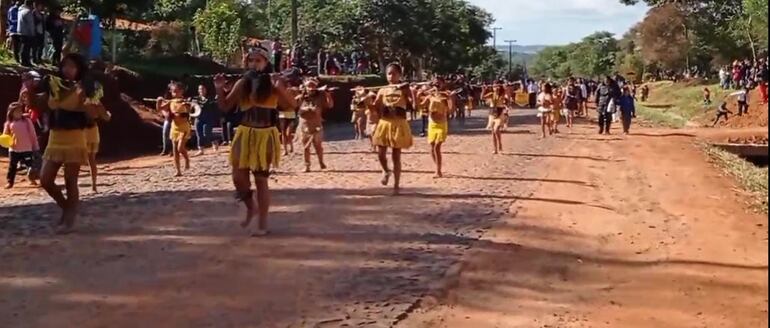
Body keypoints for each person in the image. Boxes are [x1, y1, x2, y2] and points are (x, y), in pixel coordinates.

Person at [213, 44, 297, 236]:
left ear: (266, 62)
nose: (253, 63)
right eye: (250, 60)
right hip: (244, 133)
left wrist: (280, 89)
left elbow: (292, 106)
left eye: (257, 60)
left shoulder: (273, 82)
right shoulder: (243, 83)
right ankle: (251, 206)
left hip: (265, 135)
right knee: (238, 177)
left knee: (261, 180)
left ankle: (262, 223)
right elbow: (225, 106)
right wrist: (218, 89)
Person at [32, 53, 105, 233]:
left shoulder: (87, 87)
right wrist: (30, 92)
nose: (68, 69)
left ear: (79, 69)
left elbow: (94, 114)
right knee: (45, 180)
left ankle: (69, 219)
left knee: (70, 180)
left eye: (72, 66)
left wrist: (84, 101)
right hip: (55, 138)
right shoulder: (54, 85)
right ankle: (67, 208)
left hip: (75, 137)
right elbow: (40, 106)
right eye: (65, 66)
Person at [372, 63, 413, 195]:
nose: (391, 76)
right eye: (389, 73)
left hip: (399, 124)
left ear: (399, 75)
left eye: (394, 73)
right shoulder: (382, 90)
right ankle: (386, 170)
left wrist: (409, 92)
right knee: (380, 153)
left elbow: (414, 105)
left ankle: (396, 186)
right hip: (385, 123)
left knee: (396, 156)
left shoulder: (404, 89)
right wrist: (364, 98)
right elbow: (375, 107)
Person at [296, 79, 333, 172]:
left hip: (316, 125)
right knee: (305, 147)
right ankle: (307, 165)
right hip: (304, 125)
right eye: (309, 86)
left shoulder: (320, 97)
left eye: (313, 86)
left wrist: (328, 95)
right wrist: (306, 109)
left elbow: (330, 105)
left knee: (318, 146)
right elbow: (298, 111)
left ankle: (321, 162)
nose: (311, 88)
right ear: (306, 87)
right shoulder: (301, 98)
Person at [156, 81, 191, 177]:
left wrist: (186, 105)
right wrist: (158, 102)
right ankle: (178, 170)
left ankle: (187, 159)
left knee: (180, 147)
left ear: (182, 91)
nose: (175, 93)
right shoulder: (170, 102)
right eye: (173, 91)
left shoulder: (185, 102)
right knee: (175, 150)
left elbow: (190, 112)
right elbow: (159, 109)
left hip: (184, 127)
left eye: (177, 91)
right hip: (174, 127)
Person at [419, 77, 452, 178]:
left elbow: (450, 110)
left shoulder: (446, 96)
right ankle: (438, 167)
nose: (437, 85)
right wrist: (417, 95)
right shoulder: (429, 96)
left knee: (437, 146)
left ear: (443, 84)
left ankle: (438, 171)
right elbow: (420, 106)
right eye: (435, 83)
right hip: (432, 123)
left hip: (442, 123)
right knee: (432, 148)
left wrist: (450, 98)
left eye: (439, 83)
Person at [3, 102, 40, 188]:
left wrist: (35, 146)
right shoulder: (8, 123)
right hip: (13, 149)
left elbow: (32, 134)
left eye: (20, 111)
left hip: (27, 148)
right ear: (11, 113)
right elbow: (6, 136)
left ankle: (32, 178)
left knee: (30, 164)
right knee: (12, 166)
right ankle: (10, 182)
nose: (19, 113)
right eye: (16, 112)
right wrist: (5, 140)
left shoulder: (27, 121)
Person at [193, 85, 220, 156]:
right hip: (198, 118)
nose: (201, 90)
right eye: (200, 89)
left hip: (208, 118)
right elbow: (192, 109)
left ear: (206, 90)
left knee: (207, 132)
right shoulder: (195, 99)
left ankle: (214, 141)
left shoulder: (210, 99)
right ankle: (200, 149)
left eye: (203, 89)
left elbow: (215, 107)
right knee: (199, 134)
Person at [481, 82, 506, 153]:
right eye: (494, 87)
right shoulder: (491, 94)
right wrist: (483, 90)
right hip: (492, 113)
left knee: (496, 130)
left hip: (499, 112)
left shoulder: (502, 94)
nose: (495, 88)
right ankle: (495, 149)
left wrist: (504, 87)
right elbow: (482, 97)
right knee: (493, 132)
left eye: (497, 87)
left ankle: (500, 143)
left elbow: (505, 95)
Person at [16, 0, 35, 67]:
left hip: (20, 30)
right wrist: (32, 33)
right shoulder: (28, 12)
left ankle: (22, 60)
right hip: (27, 32)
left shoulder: (20, 11)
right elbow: (30, 24)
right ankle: (26, 61)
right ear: (31, 5)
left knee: (23, 47)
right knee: (27, 48)